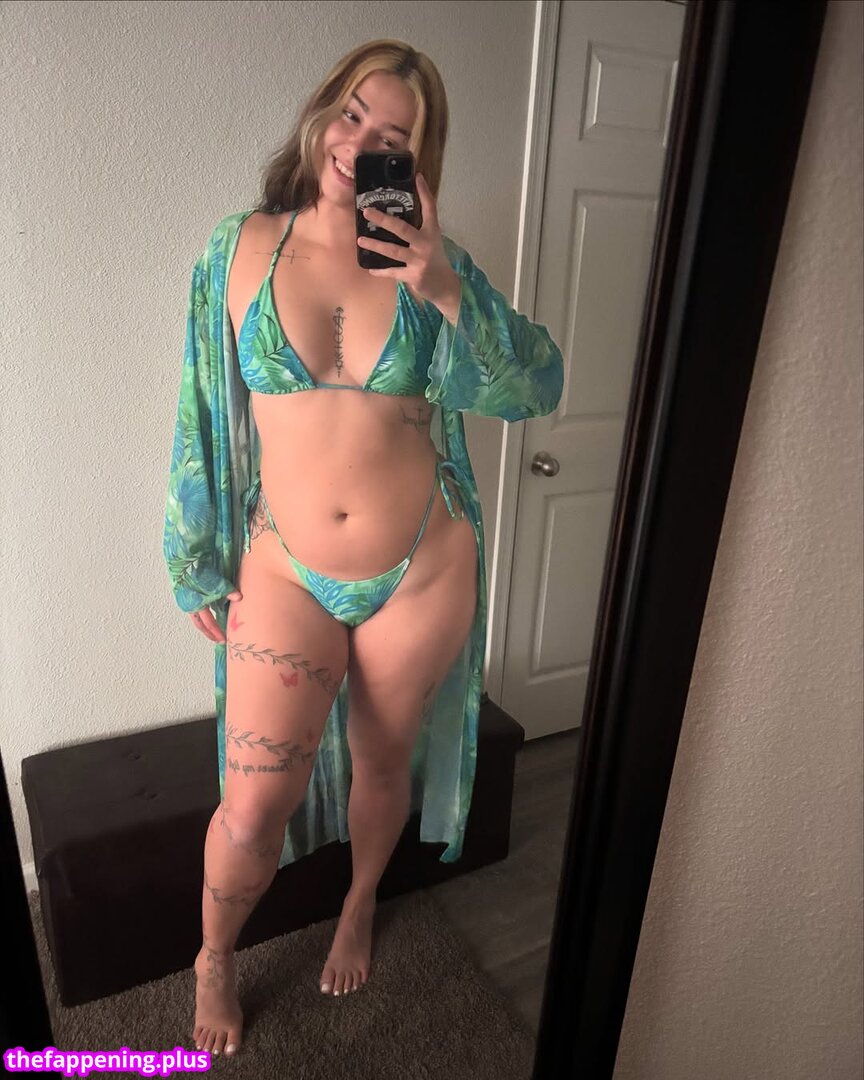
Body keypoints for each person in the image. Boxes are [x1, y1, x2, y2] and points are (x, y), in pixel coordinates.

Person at [162, 38, 564, 1058]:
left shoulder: (433, 266)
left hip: (420, 564)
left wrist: (445, 286)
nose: (361, 143)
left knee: (385, 760)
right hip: (285, 567)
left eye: (394, 136)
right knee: (252, 805)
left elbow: (535, 387)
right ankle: (214, 954)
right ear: (321, 114)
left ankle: (360, 901)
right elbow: (203, 409)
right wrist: (195, 556)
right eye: (352, 114)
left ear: (418, 162)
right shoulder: (240, 246)